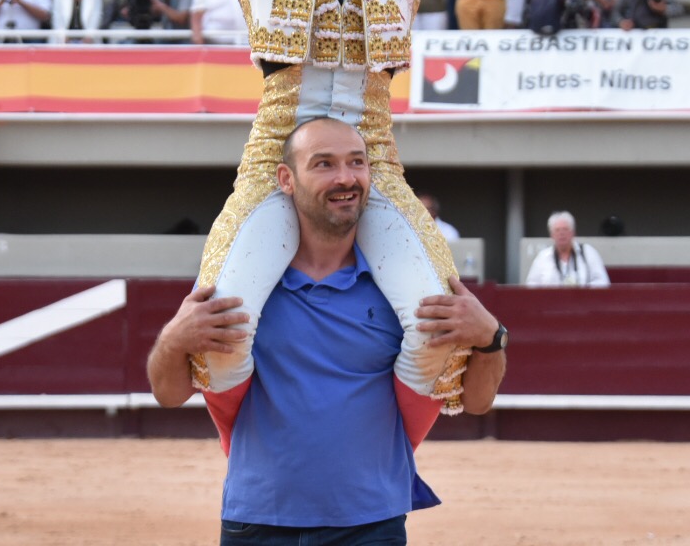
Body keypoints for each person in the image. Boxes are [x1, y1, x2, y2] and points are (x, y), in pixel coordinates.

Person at [86, 0, 580, 432]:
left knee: (439, 321)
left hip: (369, 147)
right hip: (276, 148)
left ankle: (379, 453)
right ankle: (259, 452)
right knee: (220, 324)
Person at [147, 116, 508, 542]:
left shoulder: (402, 292)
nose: (346, 178)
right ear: (286, 178)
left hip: (370, 522)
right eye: (323, 164)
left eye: (357, 162)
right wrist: (171, 340)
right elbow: (168, 393)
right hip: (258, 519)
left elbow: (478, 402)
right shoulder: (246, 286)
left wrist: (492, 338)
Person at [524, 211, 609, 287]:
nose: (561, 234)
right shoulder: (543, 257)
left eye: (565, 229)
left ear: (573, 233)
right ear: (551, 235)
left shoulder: (588, 252)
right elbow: (531, 286)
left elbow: (603, 282)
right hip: (552, 303)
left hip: (583, 302)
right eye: (557, 230)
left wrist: (583, 290)